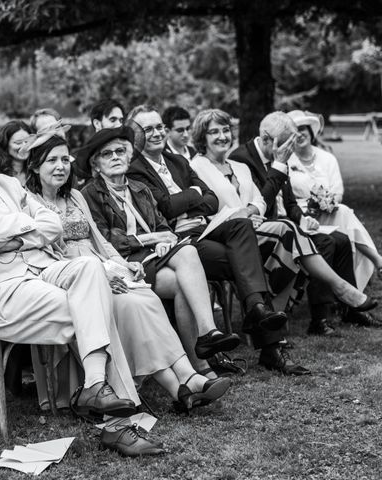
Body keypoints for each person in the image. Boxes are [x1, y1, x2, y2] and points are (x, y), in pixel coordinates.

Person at [0, 128, 162, 456]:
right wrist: (22, 225)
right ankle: (117, 425)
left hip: (42, 269)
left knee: (90, 269)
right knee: (94, 307)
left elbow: (52, 224)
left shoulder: (5, 183)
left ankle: (95, 383)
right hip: (0, 291)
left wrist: (7, 237)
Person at [26, 134, 233, 409]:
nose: (60, 166)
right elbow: (40, 255)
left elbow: (100, 240)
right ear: (35, 166)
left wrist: (125, 265)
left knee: (146, 298)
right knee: (130, 304)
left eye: (65, 159)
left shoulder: (74, 196)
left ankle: (185, 382)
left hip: (102, 264)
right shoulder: (28, 202)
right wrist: (100, 273)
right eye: (51, 160)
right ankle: (183, 384)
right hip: (70, 276)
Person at [124, 105, 301, 374]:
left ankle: (256, 309)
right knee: (246, 260)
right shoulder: (135, 169)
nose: (157, 133)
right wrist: (194, 194)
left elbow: (211, 199)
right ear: (135, 135)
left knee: (241, 225)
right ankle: (267, 338)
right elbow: (165, 209)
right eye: (148, 129)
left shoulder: (178, 162)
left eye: (159, 126)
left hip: (205, 229)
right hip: (175, 241)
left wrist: (192, 197)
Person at [191, 109, 377, 339]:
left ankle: (274, 321)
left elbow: (259, 200)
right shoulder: (198, 167)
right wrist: (246, 214)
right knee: (288, 231)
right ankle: (338, 290)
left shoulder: (238, 167)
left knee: (309, 236)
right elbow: (206, 210)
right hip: (229, 236)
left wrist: (254, 211)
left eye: (226, 130)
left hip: (259, 228)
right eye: (214, 132)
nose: (223, 136)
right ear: (202, 136)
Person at [77, 127, 241, 374]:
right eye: (106, 154)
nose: (115, 157)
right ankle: (206, 342)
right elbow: (105, 239)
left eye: (120, 151)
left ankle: (199, 363)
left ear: (129, 156)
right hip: (122, 264)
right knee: (187, 259)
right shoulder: (90, 193)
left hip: (153, 257)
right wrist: (152, 239)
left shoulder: (139, 188)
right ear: (96, 164)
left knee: (183, 279)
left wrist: (165, 241)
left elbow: (164, 226)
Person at [287, 109, 382, 288]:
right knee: (345, 217)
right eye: (294, 131)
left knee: (343, 211)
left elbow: (337, 193)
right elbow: (287, 199)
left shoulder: (327, 158)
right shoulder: (287, 160)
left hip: (329, 212)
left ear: (310, 131)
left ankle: (357, 280)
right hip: (300, 216)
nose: (299, 134)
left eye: (303, 129)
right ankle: (376, 260)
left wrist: (327, 202)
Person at [0, 120, 32, 186]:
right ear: (5, 144)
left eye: (27, 142)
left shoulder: (36, 170)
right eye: (18, 143)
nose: (24, 147)